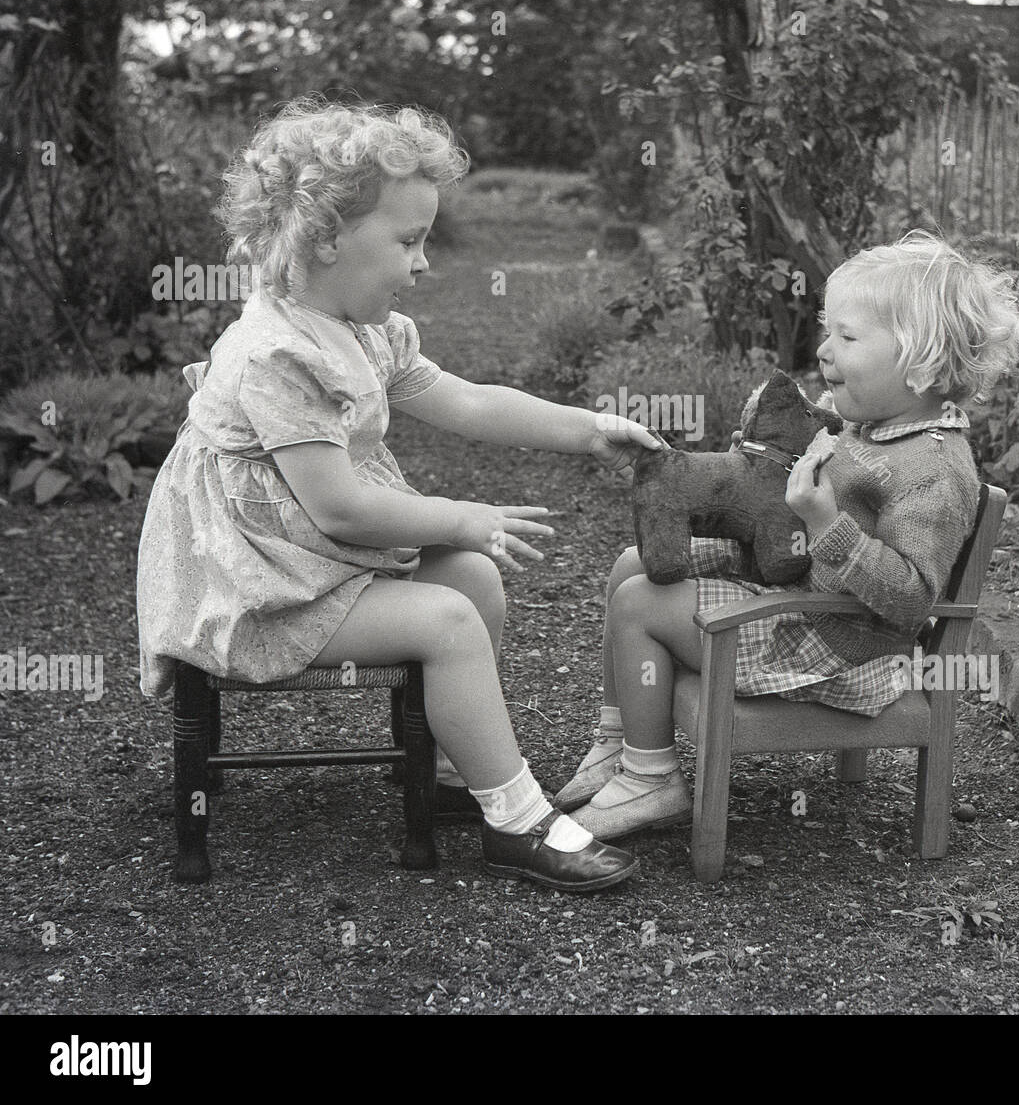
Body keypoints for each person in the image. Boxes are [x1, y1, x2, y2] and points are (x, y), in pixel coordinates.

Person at [137, 97, 663, 892]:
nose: (423, 264)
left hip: (304, 563)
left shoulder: (365, 328)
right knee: (447, 619)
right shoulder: (277, 355)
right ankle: (517, 821)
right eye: (409, 241)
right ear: (323, 239)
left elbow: (468, 401)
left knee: (471, 578)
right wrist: (463, 516)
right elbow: (341, 509)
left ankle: (456, 768)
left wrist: (587, 427)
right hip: (251, 587)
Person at [555, 231, 1019, 839]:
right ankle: (618, 738)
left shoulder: (935, 471)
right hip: (804, 598)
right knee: (634, 564)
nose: (824, 351)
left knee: (640, 604)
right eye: (827, 330)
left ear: (920, 360)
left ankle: (651, 779)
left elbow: (913, 596)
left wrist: (825, 525)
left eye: (848, 337)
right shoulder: (876, 427)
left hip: (841, 650)